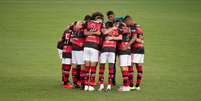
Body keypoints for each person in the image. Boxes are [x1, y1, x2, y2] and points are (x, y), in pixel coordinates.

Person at [98, 19, 122, 91]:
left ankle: (109, 86)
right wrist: (112, 28)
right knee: (102, 67)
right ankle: (101, 85)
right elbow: (104, 32)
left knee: (110, 68)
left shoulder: (117, 31)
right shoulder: (105, 30)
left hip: (111, 51)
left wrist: (112, 38)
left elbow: (120, 37)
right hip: (104, 50)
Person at [83, 12, 104, 91]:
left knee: (87, 67)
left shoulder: (88, 23)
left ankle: (86, 85)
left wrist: (91, 33)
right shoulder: (101, 24)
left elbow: (85, 33)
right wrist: (96, 32)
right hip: (94, 47)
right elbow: (102, 32)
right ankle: (91, 85)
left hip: (86, 46)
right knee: (93, 67)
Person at [124, 15, 144, 90]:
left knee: (131, 66)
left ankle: (131, 85)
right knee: (139, 66)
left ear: (129, 20)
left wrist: (128, 44)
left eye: (126, 22)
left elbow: (138, 39)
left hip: (135, 49)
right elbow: (142, 38)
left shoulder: (134, 28)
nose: (126, 24)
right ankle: (137, 85)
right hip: (141, 49)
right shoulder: (138, 27)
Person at [117, 19, 132, 91]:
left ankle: (125, 86)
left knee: (123, 67)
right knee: (126, 67)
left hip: (123, 49)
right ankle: (127, 85)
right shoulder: (129, 29)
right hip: (128, 50)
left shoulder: (122, 29)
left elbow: (118, 33)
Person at [70, 21, 85, 88]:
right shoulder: (74, 31)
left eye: (80, 24)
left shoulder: (83, 31)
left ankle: (81, 83)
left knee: (82, 66)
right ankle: (75, 82)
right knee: (74, 65)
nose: (79, 25)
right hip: (74, 51)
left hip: (80, 51)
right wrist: (78, 43)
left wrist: (76, 42)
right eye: (78, 24)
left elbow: (73, 40)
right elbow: (71, 40)